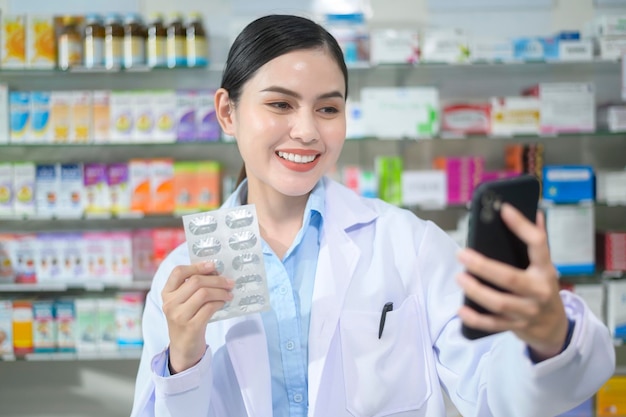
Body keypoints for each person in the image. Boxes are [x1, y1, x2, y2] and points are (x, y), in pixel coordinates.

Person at [130, 14, 615, 417]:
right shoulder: (182, 276)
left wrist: (549, 339)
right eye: (280, 104)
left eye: (328, 108)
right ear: (227, 112)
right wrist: (183, 361)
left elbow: (492, 391)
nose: (306, 131)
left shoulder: (410, 243)